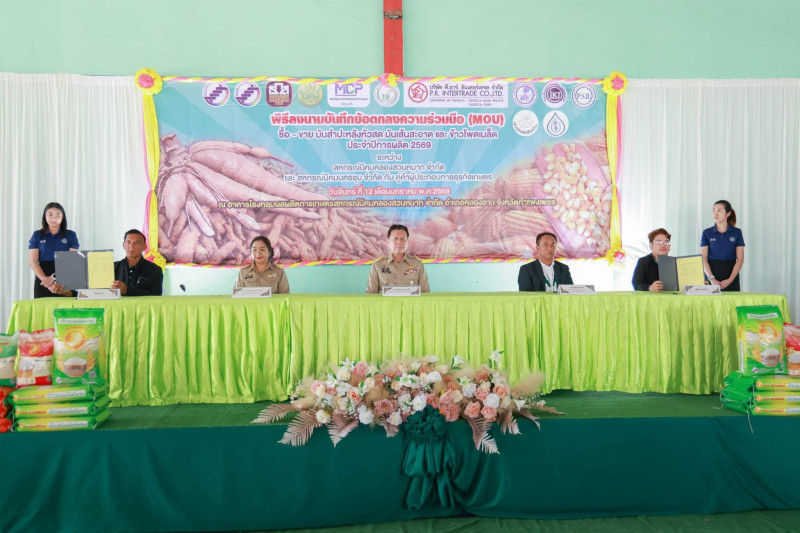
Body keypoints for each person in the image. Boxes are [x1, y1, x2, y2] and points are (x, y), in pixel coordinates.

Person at [28, 202, 79, 298]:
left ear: (63, 217)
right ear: (45, 216)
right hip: (43, 277)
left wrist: (54, 277)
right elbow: (33, 262)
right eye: (50, 215)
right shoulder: (37, 235)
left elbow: (72, 260)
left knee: (65, 306)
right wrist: (46, 281)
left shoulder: (71, 235)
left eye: (58, 215)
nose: (54, 218)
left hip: (65, 275)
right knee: (42, 306)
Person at [366, 224, 430, 293]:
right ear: (388, 241)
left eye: (403, 239)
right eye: (395, 239)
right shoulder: (377, 264)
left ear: (407, 241)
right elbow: (371, 293)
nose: (399, 242)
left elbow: (425, 293)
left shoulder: (417, 264)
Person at [700, 200, 745, 292]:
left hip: (731, 275)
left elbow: (740, 259)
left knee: (732, 301)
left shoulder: (737, 232)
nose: (715, 213)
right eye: (713, 210)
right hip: (711, 275)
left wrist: (730, 280)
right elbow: (703, 259)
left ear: (728, 214)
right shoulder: (707, 233)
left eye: (719, 210)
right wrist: (711, 279)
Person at [111, 229, 164, 296]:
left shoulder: (155, 270)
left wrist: (127, 290)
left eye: (137, 243)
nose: (131, 246)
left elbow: (156, 296)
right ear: (123, 245)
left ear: (144, 247)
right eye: (128, 242)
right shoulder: (113, 267)